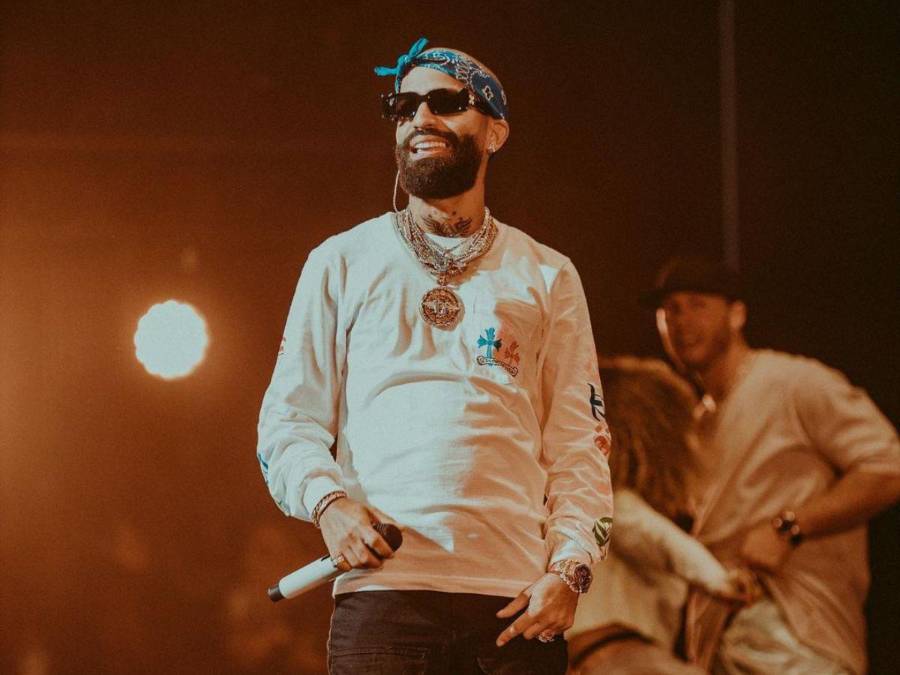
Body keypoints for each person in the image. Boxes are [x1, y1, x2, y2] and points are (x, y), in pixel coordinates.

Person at [257, 37, 613, 674]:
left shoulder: (547, 273)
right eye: (403, 106)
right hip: (384, 601)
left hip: (514, 605)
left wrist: (571, 569)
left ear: (495, 131)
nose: (420, 117)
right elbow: (288, 420)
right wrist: (329, 506)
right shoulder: (342, 260)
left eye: (446, 102)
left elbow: (580, 443)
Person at [644, 256, 900, 674]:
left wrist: (789, 527)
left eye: (697, 304)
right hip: (717, 643)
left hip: (798, 637)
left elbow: (889, 468)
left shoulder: (793, 383)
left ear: (737, 314)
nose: (682, 320)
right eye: (669, 309)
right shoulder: (695, 425)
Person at [567, 357, 756, 675]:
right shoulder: (609, 503)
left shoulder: (578, 506)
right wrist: (719, 580)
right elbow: (649, 533)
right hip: (618, 656)